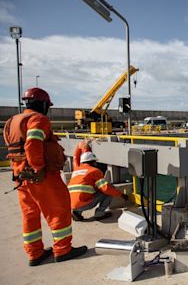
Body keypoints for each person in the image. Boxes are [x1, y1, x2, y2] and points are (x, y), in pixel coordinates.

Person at [3, 88, 88, 266]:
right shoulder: (38, 119)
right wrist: (38, 168)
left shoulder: (12, 121)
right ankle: (63, 250)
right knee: (59, 209)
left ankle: (35, 253)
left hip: (20, 175)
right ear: (43, 104)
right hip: (42, 175)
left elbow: (14, 147)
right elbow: (32, 144)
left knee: (30, 214)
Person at [68, 151, 129, 221]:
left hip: (71, 205)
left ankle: (77, 212)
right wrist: (121, 195)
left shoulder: (76, 171)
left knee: (84, 193)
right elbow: (106, 189)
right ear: (93, 162)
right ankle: (99, 214)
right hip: (84, 204)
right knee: (108, 191)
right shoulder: (94, 171)